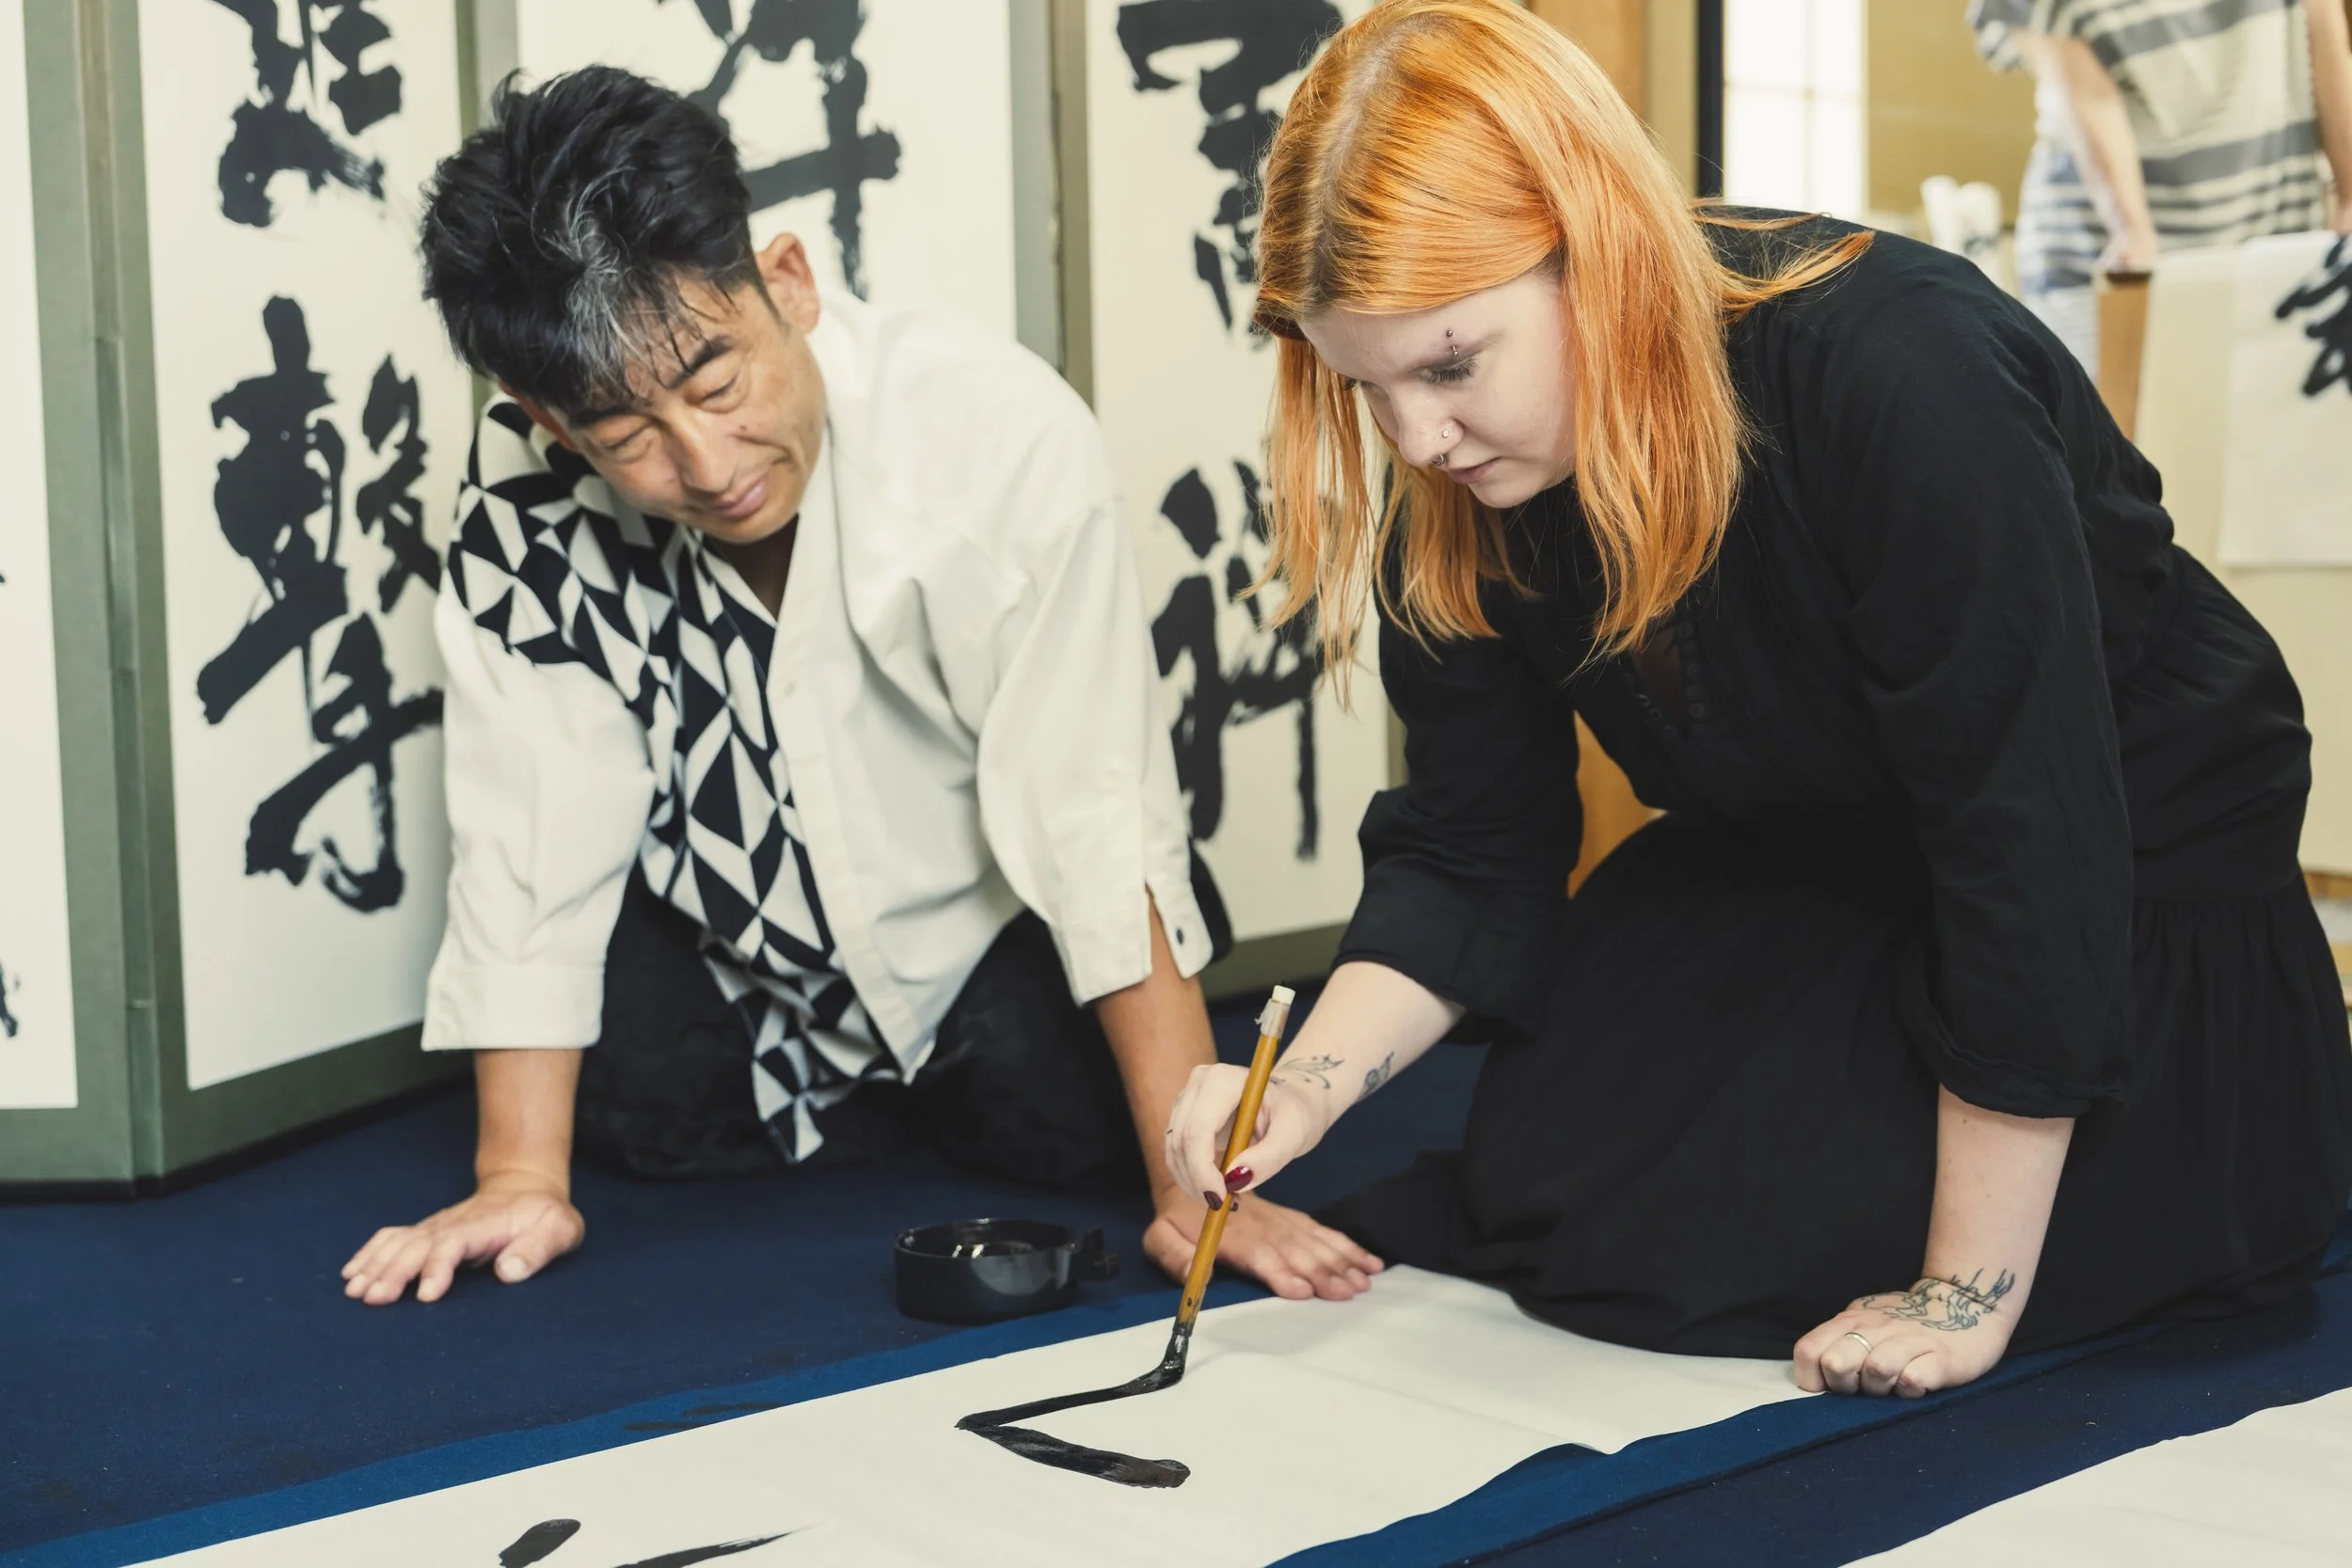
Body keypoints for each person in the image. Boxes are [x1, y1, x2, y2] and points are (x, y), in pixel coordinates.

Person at [1166, 0, 2352, 1400]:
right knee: (1555, 1171)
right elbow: (1469, 843)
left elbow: (2023, 833)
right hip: (1821, 848)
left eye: (1450, 364)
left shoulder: (1902, 372)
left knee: (1735, 1229)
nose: (1418, 437)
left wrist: (1962, 1290)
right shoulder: (1458, 475)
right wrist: (1300, 1084)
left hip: (2123, 876)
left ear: (1591, 247)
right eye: (1368, 387)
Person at [341, 68, 1381, 1307]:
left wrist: (1194, 1192)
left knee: (1086, 1128)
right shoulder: (517, 498)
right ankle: (845, 1094)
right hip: (739, 946)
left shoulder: (1000, 437)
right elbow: (535, 822)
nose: (707, 463)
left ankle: (929, 1092)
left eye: (718, 382)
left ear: (785, 282)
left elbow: (1087, 805)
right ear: (552, 427)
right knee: (635, 1110)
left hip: (982, 920)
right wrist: (518, 1171)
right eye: (624, 436)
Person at [1968, 0, 2352, 366]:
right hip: (2104, 253)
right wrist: (2133, 233)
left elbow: (2324, 25)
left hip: (2271, 248)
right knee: (2121, 426)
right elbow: (2087, 93)